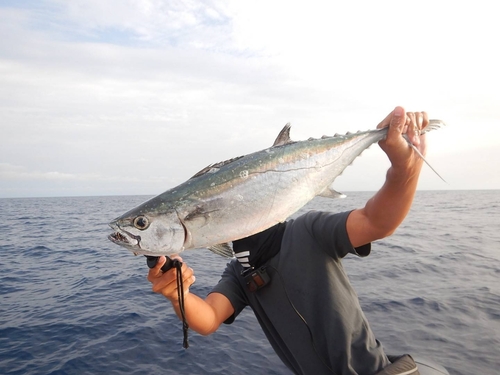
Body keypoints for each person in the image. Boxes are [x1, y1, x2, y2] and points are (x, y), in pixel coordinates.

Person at [148, 106, 429, 375]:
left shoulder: (309, 231)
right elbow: (209, 318)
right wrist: (177, 293)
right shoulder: (241, 271)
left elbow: (377, 222)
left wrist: (405, 168)